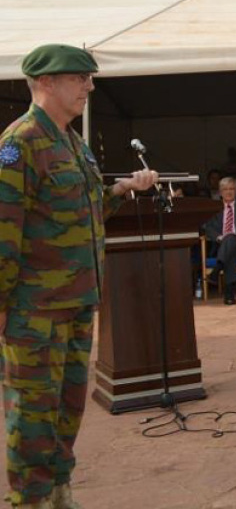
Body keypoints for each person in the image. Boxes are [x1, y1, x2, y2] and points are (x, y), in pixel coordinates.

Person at [0, 44, 159, 509]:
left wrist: (124, 189)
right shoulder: (19, 144)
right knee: (32, 414)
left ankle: (58, 491)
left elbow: (86, 210)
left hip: (76, 304)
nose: (90, 86)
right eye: (79, 78)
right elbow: (4, 234)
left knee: (68, 407)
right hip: (33, 312)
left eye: (90, 78)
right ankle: (29, 500)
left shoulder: (71, 141)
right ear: (46, 82)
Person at [201, 176, 236, 305]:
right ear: (220, 192)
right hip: (221, 245)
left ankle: (217, 269)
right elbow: (208, 228)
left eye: (232, 189)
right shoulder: (214, 208)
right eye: (225, 189)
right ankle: (229, 294)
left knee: (232, 238)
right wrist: (219, 237)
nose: (228, 192)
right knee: (229, 249)